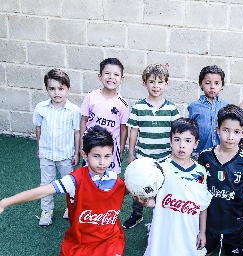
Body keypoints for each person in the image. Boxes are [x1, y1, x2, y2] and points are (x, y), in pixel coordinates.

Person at [0, 125, 127, 256]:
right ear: (84, 154)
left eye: (107, 156)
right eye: (96, 156)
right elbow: (42, 191)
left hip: (109, 239)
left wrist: (145, 198)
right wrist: (5, 202)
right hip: (81, 241)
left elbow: (127, 191)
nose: (102, 162)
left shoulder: (114, 179)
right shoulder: (74, 180)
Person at [140, 118, 212, 256]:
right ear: (170, 141)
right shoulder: (160, 169)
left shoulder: (200, 172)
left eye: (188, 140)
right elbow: (155, 202)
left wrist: (202, 232)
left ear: (196, 144)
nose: (182, 145)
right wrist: (144, 201)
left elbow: (202, 205)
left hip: (189, 230)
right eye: (177, 139)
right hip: (165, 230)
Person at [122, 63, 180, 229]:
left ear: (166, 84)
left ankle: (158, 218)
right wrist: (131, 153)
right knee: (137, 185)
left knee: (161, 188)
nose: (156, 86)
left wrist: (174, 155)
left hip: (164, 157)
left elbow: (175, 134)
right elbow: (133, 131)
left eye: (160, 82)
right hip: (142, 156)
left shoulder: (171, 108)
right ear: (144, 83)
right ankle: (137, 214)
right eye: (152, 82)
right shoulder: (139, 107)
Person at [198, 104, 243, 256]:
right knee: (204, 252)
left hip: (234, 223)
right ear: (218, 129)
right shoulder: (205, 156)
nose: (230, 137)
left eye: (236, 132)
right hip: (208, 223)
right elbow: (199, 185)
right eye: (226, 130)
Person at [33, 68, 81, 226]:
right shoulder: (41, 108)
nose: (56, 93)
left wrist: (76, 153)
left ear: (68, 89)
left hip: (66, 155)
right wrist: (39, 147)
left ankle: (70, 207)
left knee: (70, 183)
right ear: (47, 89)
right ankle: (46, 211)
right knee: (46, 184)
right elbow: (39, 129)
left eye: (61, 89)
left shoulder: (74, 110)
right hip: (46, 154)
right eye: (52, 89)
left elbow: (77, 132)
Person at [79, 58, 130, 174]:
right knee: (89, 177)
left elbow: (123, 129)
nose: (111, 77)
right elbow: (83, 121)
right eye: (107, 73)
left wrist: (121, 151)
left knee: (110, 178)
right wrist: (82, 144)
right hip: (91, 145)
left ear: (121, 79)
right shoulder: (91, 97)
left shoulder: (123, 104)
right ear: (100, 76)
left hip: (111, 148)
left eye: (116, 74)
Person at [188, 65, 229, 157]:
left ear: (222, 85)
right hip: (199, 153)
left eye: (216, 83)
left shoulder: (226, 105)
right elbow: (190, 129)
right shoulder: (194, 106)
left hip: (221, 154)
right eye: (207, 83)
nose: (212, 87)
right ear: (200, 84)